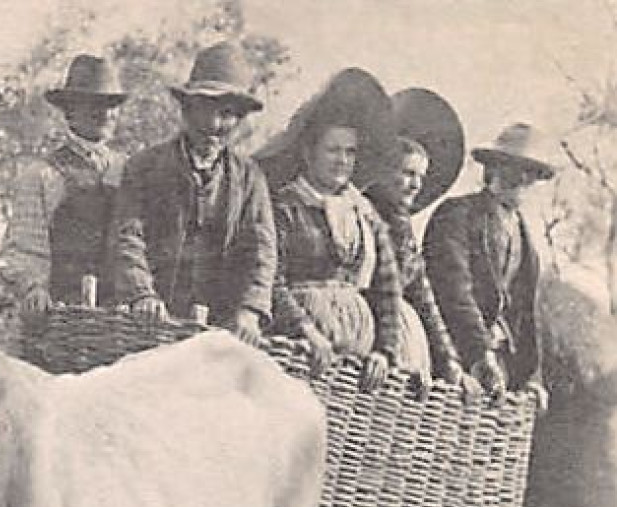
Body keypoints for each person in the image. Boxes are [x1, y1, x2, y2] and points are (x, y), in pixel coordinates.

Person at [109, 41, 276, 345]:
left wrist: (250, 311)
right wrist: (141, 294)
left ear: (239, 118)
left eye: (226, 114)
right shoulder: (144, 168)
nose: (214, 125)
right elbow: (127, 236)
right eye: (205, 110)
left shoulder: (250, 179)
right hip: (151, 323)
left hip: (219, 330)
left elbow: (261, 253)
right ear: (186, 109)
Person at [258, 69, 404, 392]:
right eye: (332, 150)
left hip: (359, 363)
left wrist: (384, 351)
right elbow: (271, 280)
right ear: (309, 153)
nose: (342, 160)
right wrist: (306, 331)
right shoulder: (285, 208)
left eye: (350, 152)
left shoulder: (366, 216)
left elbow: (388, 289)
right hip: (299, 350)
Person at [424, 123, 557, 410]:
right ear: (493, 168)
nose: (522, 179)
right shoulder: (457, 215)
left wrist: (533, 378)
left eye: (531, 173)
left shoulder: (526, 239)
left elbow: (526, 314)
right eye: (514, 168)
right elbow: (453, 291)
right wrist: (479, 353)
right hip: (454, 358)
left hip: (502, 367)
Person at [362, 89, 475, 398]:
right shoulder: (363, 212)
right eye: (408, 174)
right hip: (366, 338)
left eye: (421, 178)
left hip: (398, 341)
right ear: (385, 172)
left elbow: (424, 297)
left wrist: (451, 360)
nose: (416, 185)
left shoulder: (404, 229)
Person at [0, 54, 129, 314]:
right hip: (64, 313)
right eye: (92, 104)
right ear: (69, 111)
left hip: (122, 313)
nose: (104, 114)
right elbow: (25, 243)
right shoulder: (41, 174)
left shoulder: (129, 170)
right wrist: (34, 288)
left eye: (111, 105)